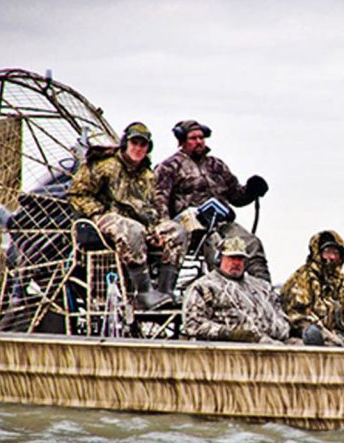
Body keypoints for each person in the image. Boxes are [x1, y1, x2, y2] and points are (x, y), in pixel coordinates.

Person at [68, 122, 188, 310]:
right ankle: (143, 292)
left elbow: (149, 208)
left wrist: (154, 232)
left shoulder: (147, 175)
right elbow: (77, 194)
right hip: (105, 218)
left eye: (143, 145)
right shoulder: (104, 165)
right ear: (125, 143)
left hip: (137, 224)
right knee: (132, 229)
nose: (138, 148)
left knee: (177, 231)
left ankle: (165, 292)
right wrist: (97, 213)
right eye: (134, 143)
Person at [154, 119, 271, 282]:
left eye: (201, 137)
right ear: (182, 141)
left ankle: (263, 288)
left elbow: (236, 196)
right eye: (193, 138)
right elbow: (160, 202)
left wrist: (252, 191)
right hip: (192, 228)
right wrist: (166, 229)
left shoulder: (216, 165)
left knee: (251, 243)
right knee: (217, 246)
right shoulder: (168, 167)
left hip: (222, 223)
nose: (199, 142)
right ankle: (222, 290)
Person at [182, 236, 289, 343]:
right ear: (219, 259)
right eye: (231, 258)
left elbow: (282, 319)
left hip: (273, 345)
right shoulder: (204, 287)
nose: (236, 263)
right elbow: (193, 325)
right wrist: (230, 333)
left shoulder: (263, 287)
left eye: (240, 259)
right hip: (228, 348)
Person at [281, 230, 344, 347]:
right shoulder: (302, 279)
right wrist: (327, 336)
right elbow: (297, 317)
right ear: (317, 253)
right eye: (328, 252)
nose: (332, 257)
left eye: (336, 253)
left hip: (341, 337)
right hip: (310, 338)